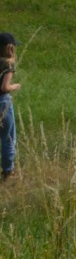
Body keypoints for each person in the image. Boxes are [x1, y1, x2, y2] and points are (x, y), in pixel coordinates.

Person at [0, 32, 19, 180]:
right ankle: (7, 172)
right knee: (8, 138)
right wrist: (15, 86)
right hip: (3, 102)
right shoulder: (8, 64)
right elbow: (4, 87)